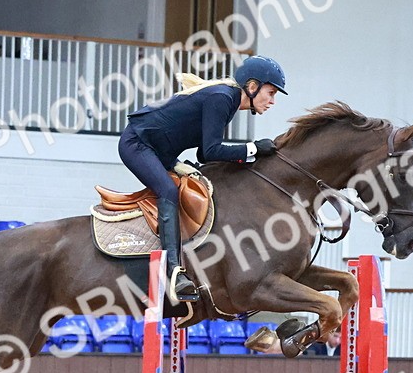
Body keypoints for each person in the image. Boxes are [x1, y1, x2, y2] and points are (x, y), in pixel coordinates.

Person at [119, 55, 287, 303]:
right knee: (168, 191)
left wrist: (251, 154)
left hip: (159, 152)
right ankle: (173, 272)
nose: (272, 101)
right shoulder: (222, 98)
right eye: (270, 92)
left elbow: (203, 153)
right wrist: (252, 149)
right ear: (252, 86)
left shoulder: (227, 101)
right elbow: (210, 152)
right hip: (137, 144)